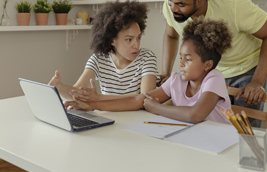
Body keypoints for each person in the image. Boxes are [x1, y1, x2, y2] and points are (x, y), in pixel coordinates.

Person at [160, 0, 267, 126]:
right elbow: (170, 35)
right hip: (211, 70)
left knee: (245, 128)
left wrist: (257, 81)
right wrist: (165, 73)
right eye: (170, 1)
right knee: (212, 124)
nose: (173, 8)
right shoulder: (173, 5)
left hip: (247, 68)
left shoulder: (233, 3)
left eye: (181, 4)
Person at [65, 19, 232, 125]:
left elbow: (195, 115)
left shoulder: (214, 78)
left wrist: (156, 108)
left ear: (207, 65)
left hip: (221, 144)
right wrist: (94, 105)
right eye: (180, 57)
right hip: (192, 139)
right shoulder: (176, 80)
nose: (180, 63)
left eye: (187, 59)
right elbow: (139, 100)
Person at [49, 0, 159, 103]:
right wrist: (59, 87)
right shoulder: (98, 59)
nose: (136, 44)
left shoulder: (146, 58)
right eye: (129, 39)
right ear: (112, 40)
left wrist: (98, 99)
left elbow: (145, 98)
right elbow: (76, 92)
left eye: (138, 38)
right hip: (109, 118)